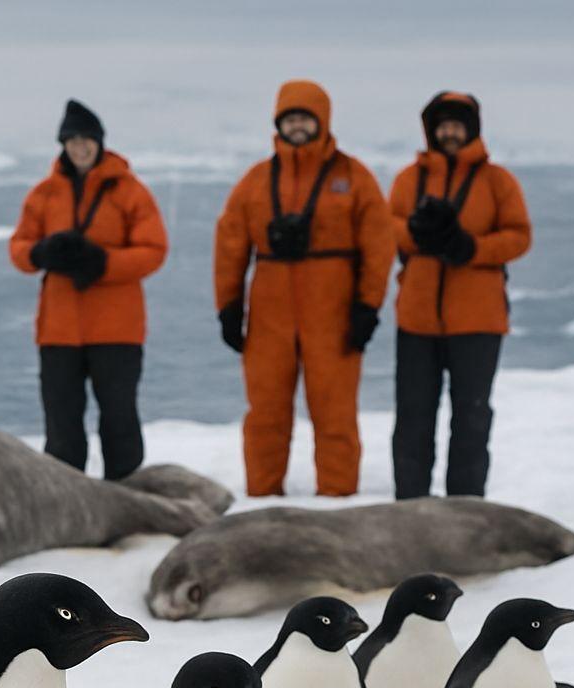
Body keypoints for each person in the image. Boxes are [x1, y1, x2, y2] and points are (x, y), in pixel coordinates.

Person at [214, 80, 394, 497]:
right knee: (265, 416)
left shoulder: (353, 177)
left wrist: (367, 307)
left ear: (322, 121)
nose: (297, 127)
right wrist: (228, 308)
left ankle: (336, 502)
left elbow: (379, 246)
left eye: (305, 118)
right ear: (279, 124)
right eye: (290, 119)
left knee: (335, 415)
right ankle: (261, 498)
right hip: (269, 316)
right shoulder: (256, 181)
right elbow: (229, 246)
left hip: (333, 315)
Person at [9, 99, 167, 478]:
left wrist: (103, 263)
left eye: (87, 140)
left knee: (119, 418)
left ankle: (127, 494)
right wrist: (41, 252)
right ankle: (65, 500)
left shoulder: (130, 191)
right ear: (63, 145)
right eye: (72, 140)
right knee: (61, 422)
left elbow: (154, 250)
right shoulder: (44, 193)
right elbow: (19, 250)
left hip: (117, 328)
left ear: (99, 142)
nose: (80, 147)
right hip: (59, 330)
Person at [388, 92, 531, 499]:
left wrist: (472, 248)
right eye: (443, 125)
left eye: (457, 124)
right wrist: (415, 233)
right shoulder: (408, 180)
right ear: (431, 130)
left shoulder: (497, 181)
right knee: (413, 417)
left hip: (478, 319)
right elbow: (385, 227)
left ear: (471, 129)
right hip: (417, 319)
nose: (449, 132)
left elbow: (520, 236)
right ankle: (410, 505)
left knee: (471, 417)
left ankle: (467, 506)